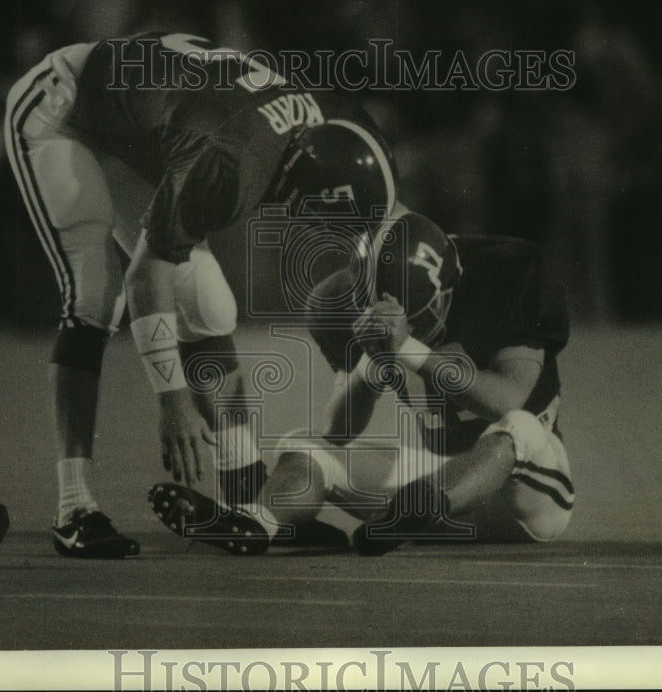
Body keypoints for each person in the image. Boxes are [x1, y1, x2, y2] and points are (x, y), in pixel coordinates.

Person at [4, 31, 397, 558]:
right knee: (96, 297)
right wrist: (173, 399)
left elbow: (378, 199)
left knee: (209, 306)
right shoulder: (233, 162)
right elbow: (148, 274)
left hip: (147, 124)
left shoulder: (338, 124)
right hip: (63, 106)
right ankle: (74, 507)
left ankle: (243, 493)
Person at [153, 212, 574, 555]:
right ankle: (257, 523)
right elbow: (339, 431)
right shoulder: (347, 303)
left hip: (524, 494)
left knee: (520, 425)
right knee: (304, 445)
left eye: (424, 315)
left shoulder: (503, 277)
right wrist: (373, 360)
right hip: (433, 483)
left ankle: (417, 509)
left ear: (450, 287)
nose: (421, 327)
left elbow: (507, 400)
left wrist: (408, 349)